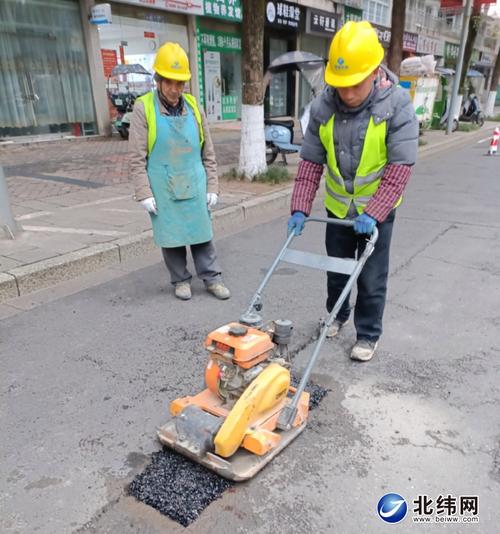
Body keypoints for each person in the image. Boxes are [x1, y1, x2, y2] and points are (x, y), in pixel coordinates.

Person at [287, 21, 418, 362]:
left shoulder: (397, 106)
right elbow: (310, 163)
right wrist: (299, 207)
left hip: (378, 212)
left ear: (375, 72)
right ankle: (336, 315)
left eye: (355, 85)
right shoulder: (322, 108)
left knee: (372, 277)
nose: (346, 94)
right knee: (336, 268)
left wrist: (373, 212)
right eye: (341, 85)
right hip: (338, 208)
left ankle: (368, 334)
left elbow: (399, 169)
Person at [129, 42, 230, 301]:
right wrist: (144, 193)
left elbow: (208, 152)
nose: (175, 90)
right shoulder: (144, 108)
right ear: (159, 80)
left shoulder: (194, 107)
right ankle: (180, 279)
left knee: (202, 235)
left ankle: (211, 278)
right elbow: (137, 157)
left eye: (180, 83)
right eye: (169, 82)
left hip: (194, 182)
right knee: (172, 238)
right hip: (163, 184)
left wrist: (213, 187)